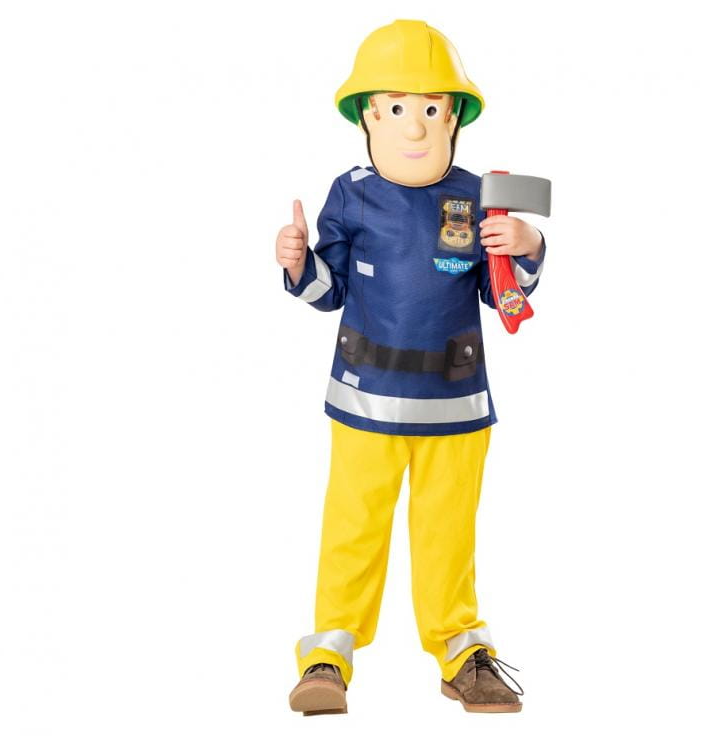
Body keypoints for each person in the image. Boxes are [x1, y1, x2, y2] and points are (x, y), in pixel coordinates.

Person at [275, 19, 547, 715]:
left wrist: (526, 245)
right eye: (397, 108)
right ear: (368, 115)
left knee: (448, 534)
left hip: (455, 406)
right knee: (353, 527)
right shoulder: (350, 194)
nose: (416, 126)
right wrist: (300, 264)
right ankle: (329, 654)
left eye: (430, 108)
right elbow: (329, 292)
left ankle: (461, 652)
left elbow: (499, 293)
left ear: (454, 115)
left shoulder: (479, 196)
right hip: (365, 401)